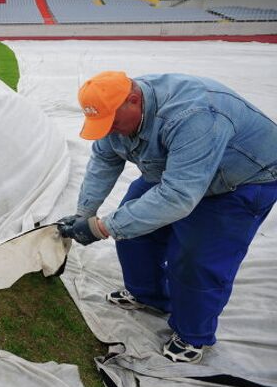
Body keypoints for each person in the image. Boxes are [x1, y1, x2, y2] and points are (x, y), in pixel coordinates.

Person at [57, 71, 277, 363]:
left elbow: (178, 197)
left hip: (241, 179)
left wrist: (101, 227)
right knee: (133, 231)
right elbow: (104, 161)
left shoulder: (193, 116)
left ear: (134, 100)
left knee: (195, 258)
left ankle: (192, 334)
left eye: (113, 123)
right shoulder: (116, 114)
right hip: (177, 171)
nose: (109, 130)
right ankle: (149, 296)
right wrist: (84, 214)